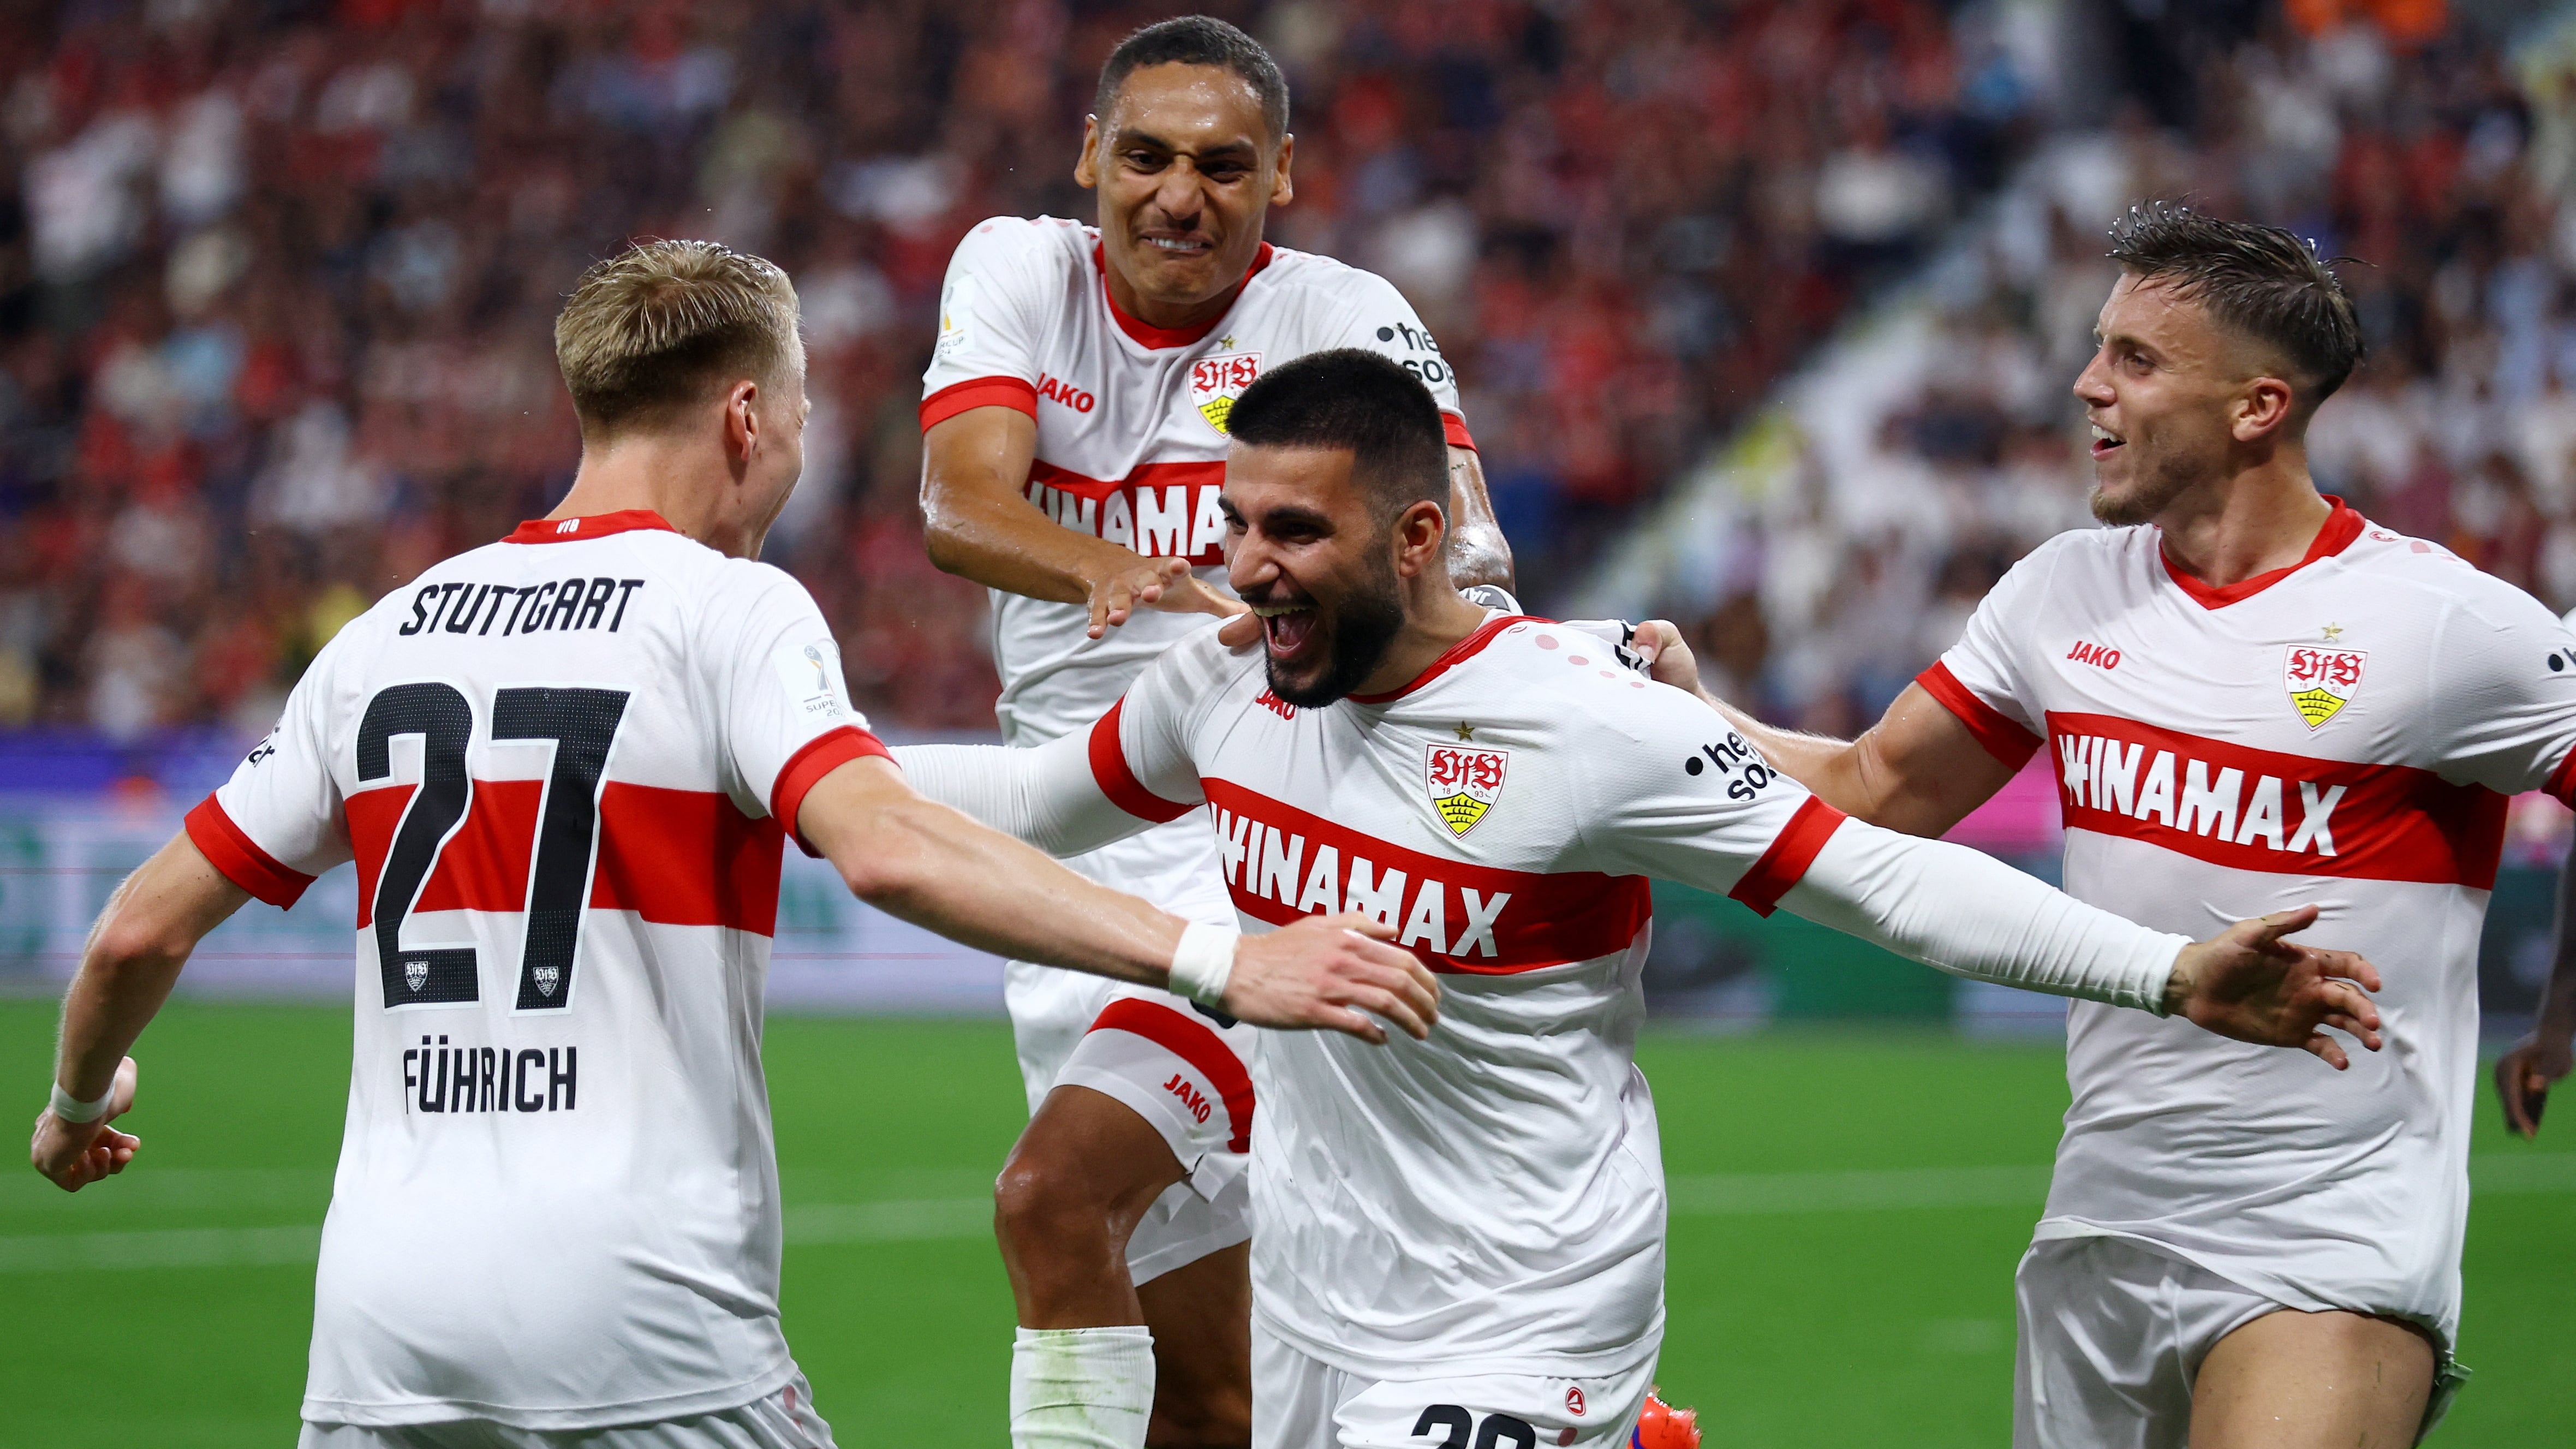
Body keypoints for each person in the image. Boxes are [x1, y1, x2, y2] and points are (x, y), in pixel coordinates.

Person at [26, 241, 1441, 1449]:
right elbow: (887, 849)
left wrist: (80, 1106)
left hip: (381, 1330)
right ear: (750, 415)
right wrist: (1218, 958)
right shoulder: (728, 611)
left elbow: (139, 931)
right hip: (643, 1315)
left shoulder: (385, 635)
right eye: (810, 416)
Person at [892, 348, 2386, 1449]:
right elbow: (1031, 808)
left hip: (1527, 1317)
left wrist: (2168, 972)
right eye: (1237, 526)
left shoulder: (1587, 722)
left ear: (1418, 540)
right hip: (1315, 1310)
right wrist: (800, 769)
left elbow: (1884, 884)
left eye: (1297, 534)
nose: (1250, 573)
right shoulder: (1224, 687)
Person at [1635, 204, 2576, 1448]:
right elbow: (1872, 784)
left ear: (2257, 407)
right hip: (2100, 1223)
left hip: (2327, 1235)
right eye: (2097, 348)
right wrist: (1689, 714)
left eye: (2134, 359)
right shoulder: (2061, 589)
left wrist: (2560, 1007)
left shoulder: (2440, 624)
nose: (2086, 384)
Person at [914, 17, 1514, 1447]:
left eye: (1223, 166)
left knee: (1053, 1199)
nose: (1179, 195)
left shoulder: (1342, 316)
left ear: (1282, 179)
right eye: (1147, 158)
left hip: (1262, 865)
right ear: (1089, 160)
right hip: (1070, 883)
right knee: (1209, 1400)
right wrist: (1112, 570)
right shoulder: (1019, 272)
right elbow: (957, 504)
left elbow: (1476, 574)